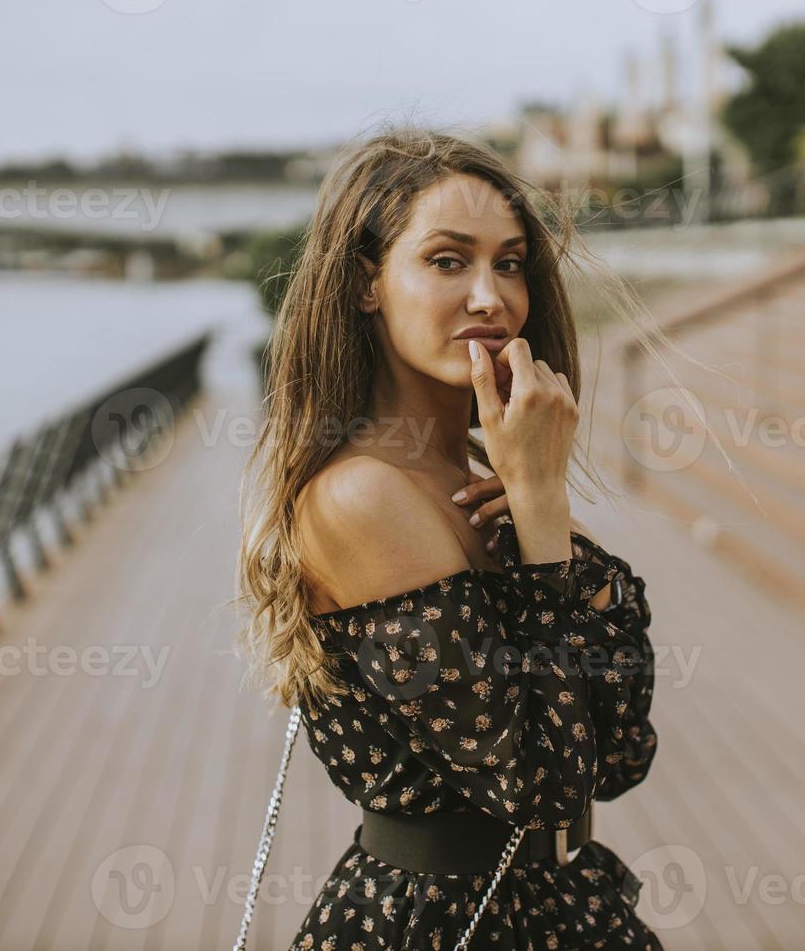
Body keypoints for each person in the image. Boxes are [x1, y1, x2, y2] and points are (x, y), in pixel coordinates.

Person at [235, 124, 666, 949]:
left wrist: (544, 516)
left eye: (509, 262)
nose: (490, 297)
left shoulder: (480, 483)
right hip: (440, 923)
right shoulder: (364, 495)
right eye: (447, 260)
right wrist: (542, 513)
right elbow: (541, 785)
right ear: (367, 283)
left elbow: (617, 760)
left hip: (561, 909)